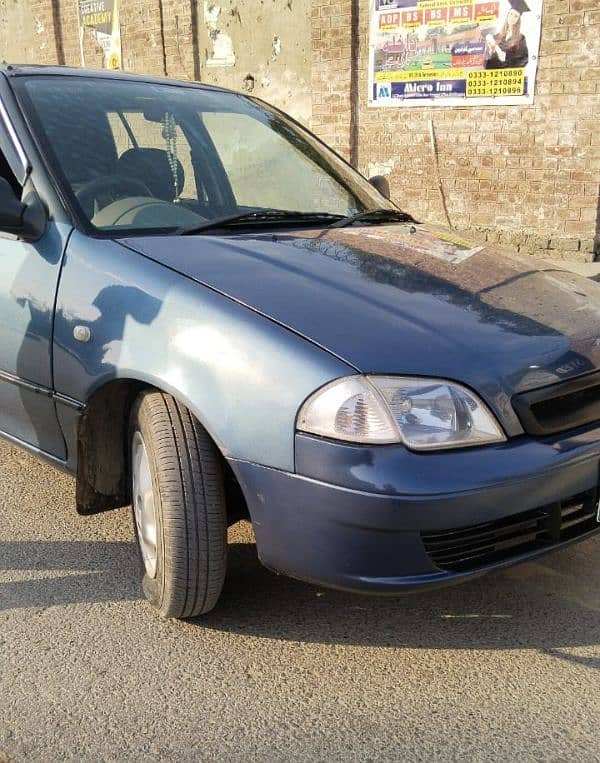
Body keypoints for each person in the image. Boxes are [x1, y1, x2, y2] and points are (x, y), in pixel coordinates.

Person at [485, 0, 530, 69]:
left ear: (518, 20)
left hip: (509, 75)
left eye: (516, 16)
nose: (512, 18)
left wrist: (506, 57)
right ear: (507, 15)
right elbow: (487, 61)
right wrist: (491, 51)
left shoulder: (521, 38)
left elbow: (524, 59)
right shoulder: (497, 36)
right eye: (511, 14)